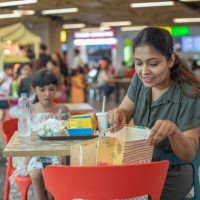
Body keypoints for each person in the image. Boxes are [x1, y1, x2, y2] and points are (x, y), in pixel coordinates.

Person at [107, 27, 200, 200]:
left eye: (153, 63)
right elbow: (125, 111)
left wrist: (173, 131)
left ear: (170, 60)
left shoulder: (189, 94)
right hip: (141, 164)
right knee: (104, 189)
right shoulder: (140, 81)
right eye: (138, 63)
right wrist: (118, 113)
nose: (144, 71)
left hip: (173, 170)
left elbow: (188, 154)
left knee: (127, 195)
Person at [26, 69, 70, 200]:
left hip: (56, 154)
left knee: (53, 175)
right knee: (35, 174)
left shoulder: (62, 110)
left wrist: (64, 154)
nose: (47, 94)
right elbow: (26, 135)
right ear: (34, 89)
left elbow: (67, 134)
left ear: (57, 88)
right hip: (35, 153)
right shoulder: (29, 110)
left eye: (51, 89)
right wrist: (26, 155)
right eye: (42, 89)